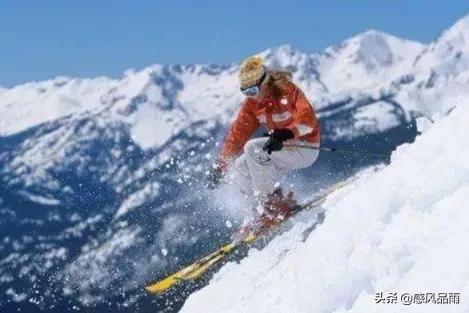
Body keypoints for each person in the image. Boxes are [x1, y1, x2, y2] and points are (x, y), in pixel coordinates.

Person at [208, 55, 320, 221]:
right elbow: (236, 136)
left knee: (253, 148)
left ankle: (271, 207)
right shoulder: (252, 104)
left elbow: (307, 119)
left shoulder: (287, 91)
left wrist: (287, 133)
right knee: (239, 166)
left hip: (305, 146)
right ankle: (260, 211)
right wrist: (222, 166)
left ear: (264, 83)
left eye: (252, 91)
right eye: (245, 92)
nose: (251, 96)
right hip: (281, 150)